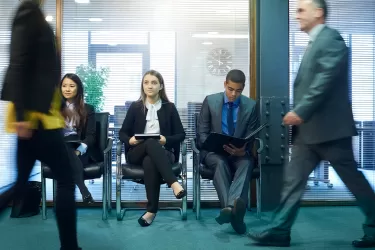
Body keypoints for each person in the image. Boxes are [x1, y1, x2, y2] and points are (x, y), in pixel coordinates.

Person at [248, 0, 375, 248]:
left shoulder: (331, 39)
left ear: (318, 13)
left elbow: (324, 80)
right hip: (308, 133)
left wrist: (301, 111)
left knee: (353, 181)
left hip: (330, 131)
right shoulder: (314, 43)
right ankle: (279, 230)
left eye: (301, 10)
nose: (297, 16)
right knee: (292, 182)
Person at [0, 0, 81, 249]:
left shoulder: (34, 14)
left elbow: (41, 72)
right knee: (66, 180)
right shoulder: (28, 13)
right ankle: (69, 246)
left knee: (21, 183)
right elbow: (19, 64)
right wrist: (23, 115)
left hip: (40, 116)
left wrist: (56, 107)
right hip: (37, 120)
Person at [119, 70, 187, 227]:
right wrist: (130, 140)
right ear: (142, 86)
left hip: (164, 153)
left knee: (150, 160)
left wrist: (166, 139)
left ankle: (151, 212)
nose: (149, 86)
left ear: (161, 86)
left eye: (154, 82)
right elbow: (122, 133)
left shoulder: (169, 108)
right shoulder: (135, 107)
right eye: (146, 82)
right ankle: (174, 183)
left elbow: (181, 135)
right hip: (136, 153)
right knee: (150, 142)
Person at [197, 69, 258, 234]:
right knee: (220, 162)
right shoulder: (210, 101)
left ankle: (230, 209)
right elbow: (201, 133)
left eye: (238, 91)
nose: (233, 94)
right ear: (225, 84)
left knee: (247, 162)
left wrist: (242, 149)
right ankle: (234, 213)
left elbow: (251, 135)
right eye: (230, 89)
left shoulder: (251, 106)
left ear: (243, 88)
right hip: (214, 153)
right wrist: (214, 145)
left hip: (238, 153)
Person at [60, 73, 96, 204]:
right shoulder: (54, 109)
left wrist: (79, 150)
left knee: (70, 154)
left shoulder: (88, 109)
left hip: (79, 148)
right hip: (59, 147)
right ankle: (84, 191)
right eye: (64, 86)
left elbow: (91, 136)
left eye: (71, 86)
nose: (67, 89)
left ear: (78, 89)